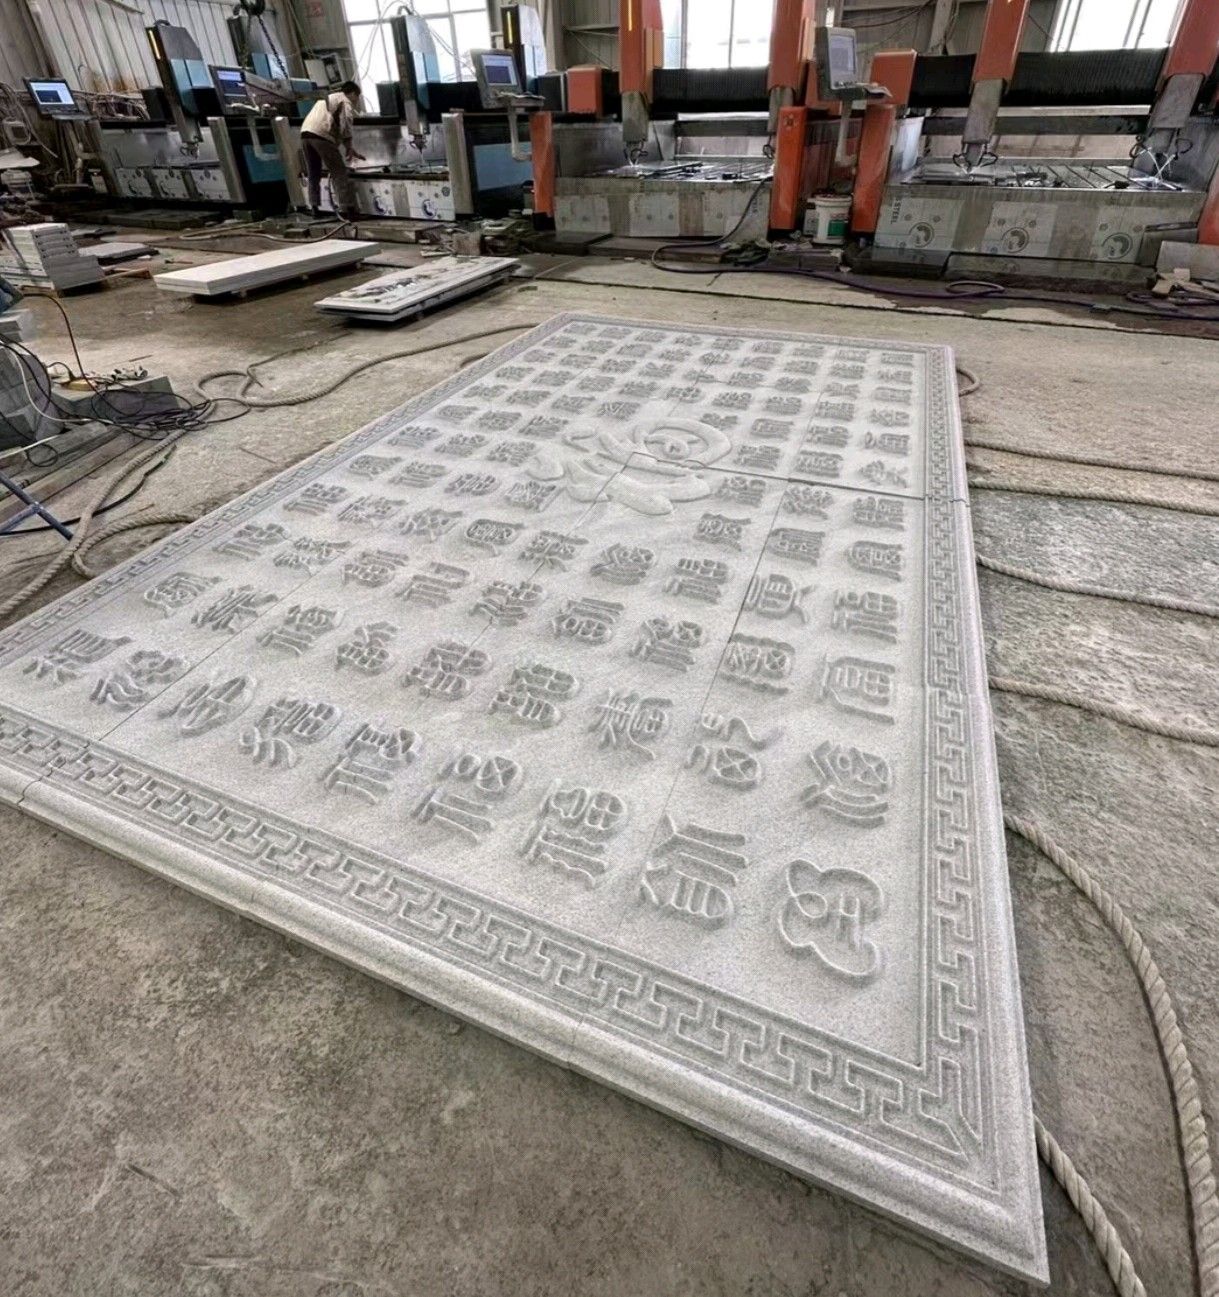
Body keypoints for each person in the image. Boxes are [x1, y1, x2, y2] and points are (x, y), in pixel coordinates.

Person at [299, 80, 366, 220]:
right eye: (357, 97)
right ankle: (348, 210)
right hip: (322, 135)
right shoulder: (345, 101)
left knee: (313, 172)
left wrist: (349, 147)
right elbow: (346, 123)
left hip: (305, 134)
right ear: (353, 93)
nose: (356, 100)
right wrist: (348, 147)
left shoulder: (327, 98)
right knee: (339, 173)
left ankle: (314, 208)